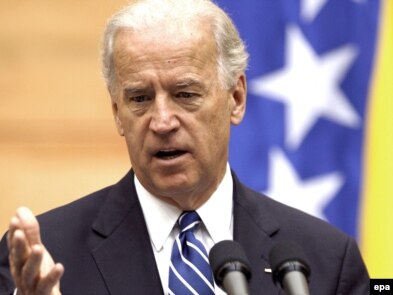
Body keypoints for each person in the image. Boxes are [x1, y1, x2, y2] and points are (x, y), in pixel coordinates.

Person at [0, 0, 369, 294]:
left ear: (236, 98)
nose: (162, 122)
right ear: (117, 112)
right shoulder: (45, 257)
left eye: (185, 95)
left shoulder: (325, 260)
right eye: (140, 98)